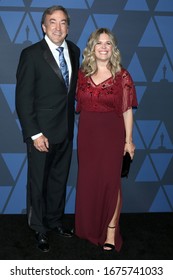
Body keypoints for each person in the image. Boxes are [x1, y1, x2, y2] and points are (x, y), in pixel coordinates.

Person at [15, 5, 80, 253]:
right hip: (41, 134)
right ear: (44, 26)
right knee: (38, 183)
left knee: (58, 180)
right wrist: (34, 134)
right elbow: (23, 98)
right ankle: (39, 228)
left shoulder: (73, 51)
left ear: (68, 27)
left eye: (63, 22)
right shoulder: (31, 54)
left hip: (65, 130)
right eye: (52, 22)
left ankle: (54, 221)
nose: (58, 27)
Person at [75, 28, 138, 252]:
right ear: (92, 48)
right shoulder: (81, 74)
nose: (103, 47)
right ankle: (90, 227)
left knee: (112, 183)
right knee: (89, 181)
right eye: (99, 43)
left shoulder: (123, 76)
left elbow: (127, 110)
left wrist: (128, 140)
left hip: (112, 135)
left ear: (113, 48)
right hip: (87, 136)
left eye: (108, 43)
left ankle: (111, 230)